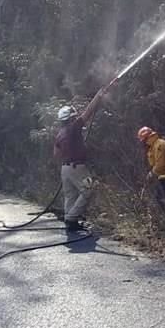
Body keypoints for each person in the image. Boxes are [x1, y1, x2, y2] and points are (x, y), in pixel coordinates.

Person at [53, 86, 108, 231]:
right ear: (71, 117)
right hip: (77, 167)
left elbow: (56, 154)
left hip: (65, 169)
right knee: (89, 190)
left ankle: (70, 221)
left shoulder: (60, 133)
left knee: (70, 195)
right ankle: (71, 217)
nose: (76, 117)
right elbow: (87, 113)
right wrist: (98, 96)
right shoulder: (73, 127)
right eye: (74, 116)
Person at [137, 126, 165, 217]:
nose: (143, 143)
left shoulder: (159, 145)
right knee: (163, 196)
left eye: (143, 140)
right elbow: (154, 162)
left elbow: (160, 164)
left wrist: (152, 174)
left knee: (163, 197)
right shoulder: (154, 145)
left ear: (147, 138)